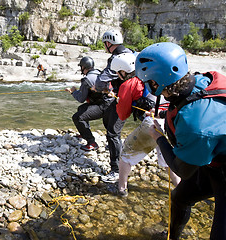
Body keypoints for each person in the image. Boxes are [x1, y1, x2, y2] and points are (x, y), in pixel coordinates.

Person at [136, 42, 226, 240]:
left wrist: (158, 137)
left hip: (221, 168)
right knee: (179, 197)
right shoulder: (200, 80)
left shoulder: (197, 127)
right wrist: (163, 113)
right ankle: (172, 237)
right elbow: (189, 101)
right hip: (212, 159)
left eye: (147, 81)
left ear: (156, 84)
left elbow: (182, 169)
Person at [109, 53, 180, 197]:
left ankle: (121, 189)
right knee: (169, 158)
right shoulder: (151, 76)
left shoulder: (128, 84)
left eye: (118, 72)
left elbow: (123, 115)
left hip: (152, 121)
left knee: (126, 153)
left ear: (123, 71)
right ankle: (182, 189)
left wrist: (119, 101)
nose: (117, 75)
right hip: (171, 119)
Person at [93, 29, 134, 183]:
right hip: (128, 96)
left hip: (123, 98)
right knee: (108, 119)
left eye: (105, 44)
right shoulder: (131, 52)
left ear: (109, 43)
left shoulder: (117, 58)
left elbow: (100, 81)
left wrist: (100, 88)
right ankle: (116, 149)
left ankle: (116, 169)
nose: (104, 46)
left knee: (113, 132)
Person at [65, 56, 104, 151]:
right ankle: (84, 133)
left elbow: (81, 98)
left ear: (84, 67)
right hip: (105, 104)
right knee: (81, 109)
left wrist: (72, 91)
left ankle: (92, 142)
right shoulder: (99, 73)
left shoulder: (86, 79)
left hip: (102, 106)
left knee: (77, 117)